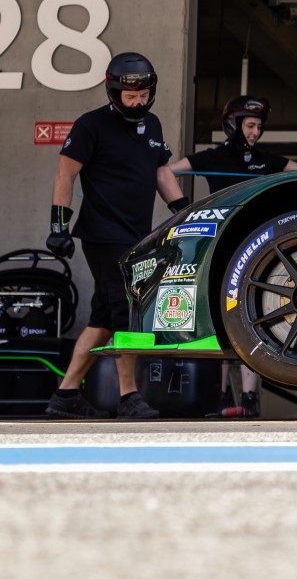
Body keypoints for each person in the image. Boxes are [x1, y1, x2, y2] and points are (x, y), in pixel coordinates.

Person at [45, 52, 191, 419]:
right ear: (113, 92)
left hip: (136, 236)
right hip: (104, 234)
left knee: (102, 320)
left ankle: (65, 395)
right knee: (129, 311)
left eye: (144, 95)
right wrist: (58, 227)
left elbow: (161, 172)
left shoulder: (152, 125)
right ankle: (129, 397)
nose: (138, 102)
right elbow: (65, 175)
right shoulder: (90, 125)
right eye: (131, 96)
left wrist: (184, 212)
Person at [170, 95, 297, 416]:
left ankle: (248, 400)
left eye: (259, 127)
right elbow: (165, 172)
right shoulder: (211, 157)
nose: (255, 132)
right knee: (218, 323)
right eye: (250, 125)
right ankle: (221, 399)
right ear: (232, 125)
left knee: (250, 322)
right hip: (218, 250)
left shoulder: (265, 160)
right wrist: (184, 212)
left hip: (256, 252)